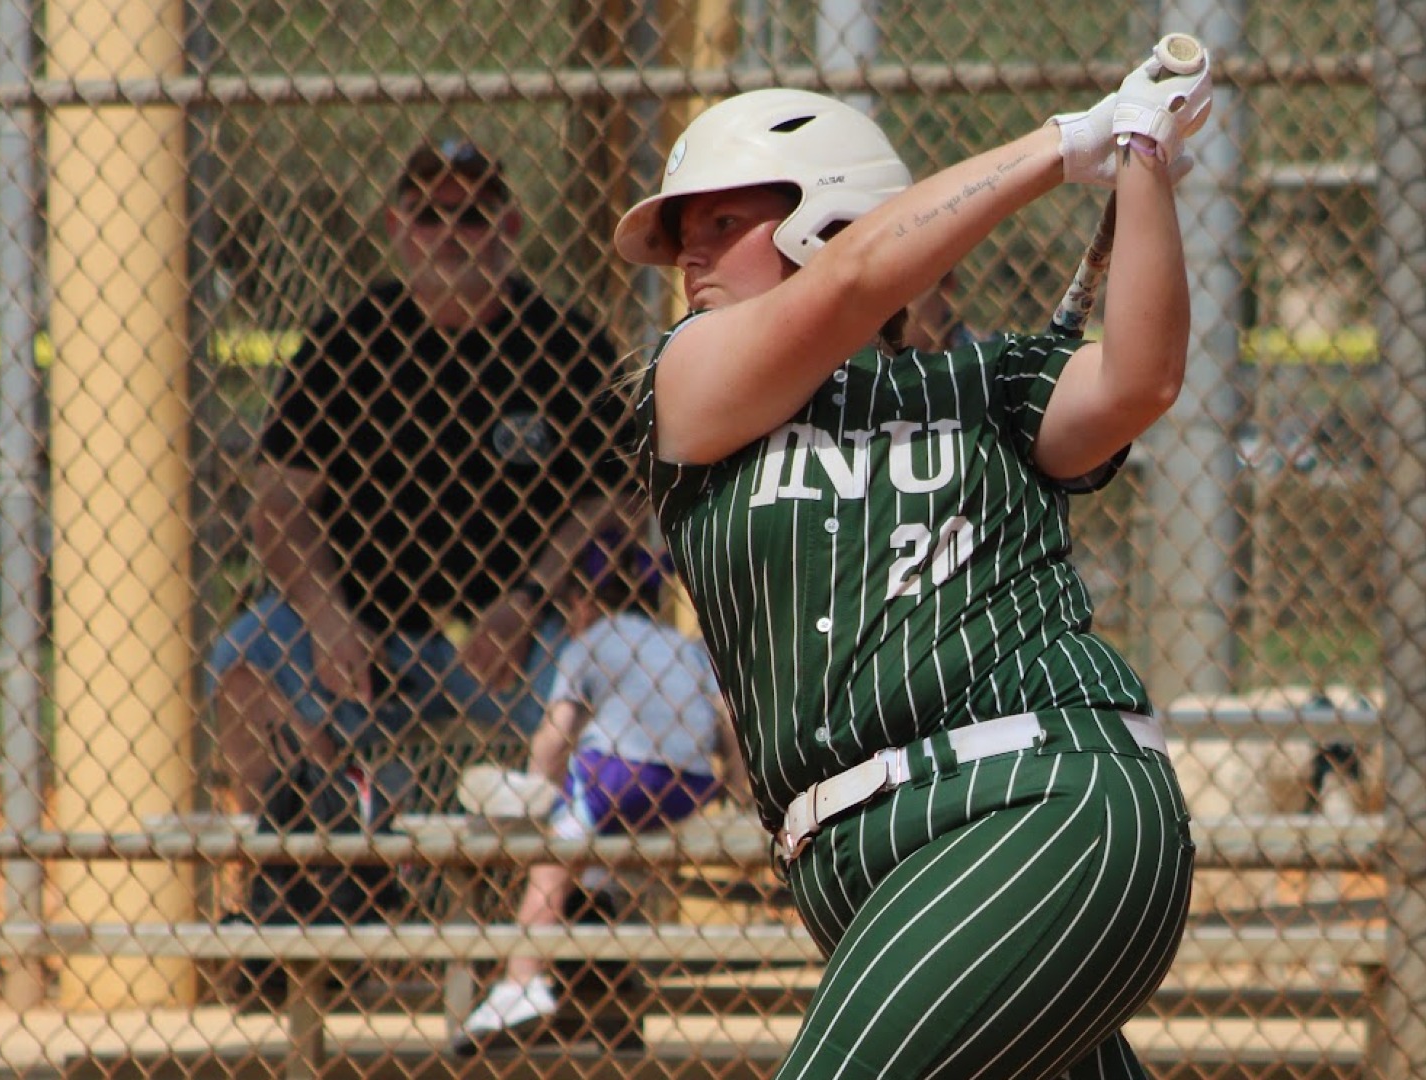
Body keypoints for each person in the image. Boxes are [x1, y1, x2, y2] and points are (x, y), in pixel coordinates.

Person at [611, 41, 1212, 1078]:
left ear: (829, 214)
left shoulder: (984, 386)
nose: (689, 259)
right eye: (680, 237)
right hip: (870, 876)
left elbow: (1137, 381)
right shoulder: (685, 386)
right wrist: (1056, 146)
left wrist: (1136, 155)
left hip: (1036, 805)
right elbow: (848, 289)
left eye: (720, 222)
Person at [208, 137, 637, 842]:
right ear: (396, 228)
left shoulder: (564, 342)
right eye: (429, 215)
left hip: (520, 635)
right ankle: (317, 868)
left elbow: (617, 498)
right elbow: (280, 502)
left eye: (471, 215)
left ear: (508, 229)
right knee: (246, 661)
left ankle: (577, 897)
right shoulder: (347, 341)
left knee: (620, 676)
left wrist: (529, 601)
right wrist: (325, 616)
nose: (449, 234)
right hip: (366, 633)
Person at [454, 535, 743, 1052]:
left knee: (558, 843)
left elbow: (555, 734)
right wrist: (743, 795)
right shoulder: (685, 646)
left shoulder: (589, 639)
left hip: (620, 774)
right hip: (691, 785)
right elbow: (726, 725)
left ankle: (522, 981)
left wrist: (542, 789)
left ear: (584, 602)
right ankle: (601, 985)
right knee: (592, 860)